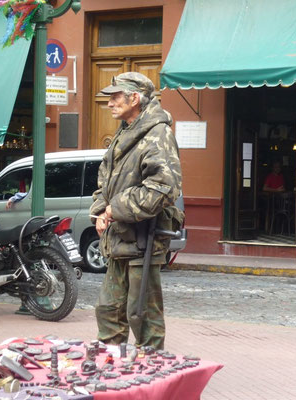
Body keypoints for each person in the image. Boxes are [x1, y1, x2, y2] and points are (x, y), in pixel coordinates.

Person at [90, 72, 183, 350]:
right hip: (119, 238)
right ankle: (111, 363)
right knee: (108, 311)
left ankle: (152, 373)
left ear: (134, 98)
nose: (109, 103)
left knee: (142, 315)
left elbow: (163, 188)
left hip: (143, 240)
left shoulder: (157, 133)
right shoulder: (125, 131)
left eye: (116, 96)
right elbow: (105, 180)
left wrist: (113, 209)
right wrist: (99, 211)